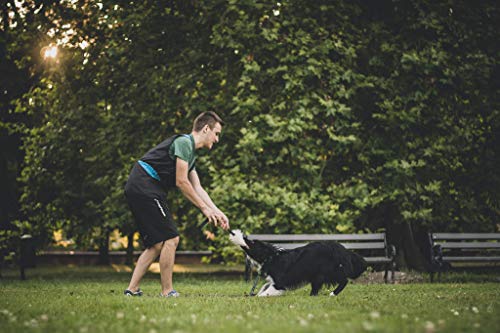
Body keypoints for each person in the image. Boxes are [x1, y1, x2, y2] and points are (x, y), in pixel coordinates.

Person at [123, 111, 229, 297]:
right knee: (171, 238)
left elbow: (198, 188)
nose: (217, 139)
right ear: (206, 129)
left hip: (144, 186)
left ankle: (131, 290)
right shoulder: (183, 143)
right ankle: (167, 291)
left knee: (156, 244)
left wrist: (217, 211)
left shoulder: (190, 153)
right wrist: (204, 209)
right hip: (144, 184)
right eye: (216, 133)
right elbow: (181, 181)